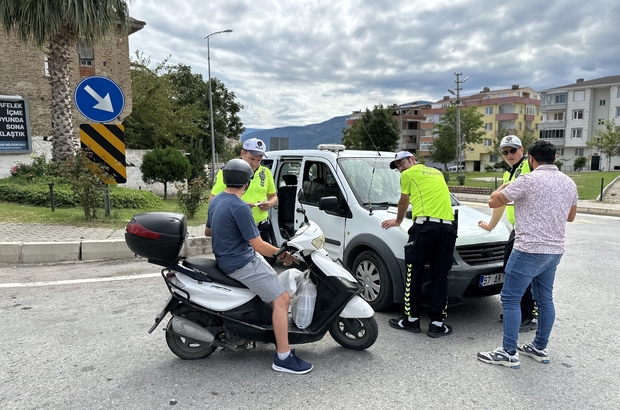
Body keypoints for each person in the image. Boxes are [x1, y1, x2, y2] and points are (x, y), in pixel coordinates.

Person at [206, 159, 312, 374]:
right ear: (247, 181)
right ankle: (283, 356)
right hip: (242, 261)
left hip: (228, 258)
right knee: (282, 299)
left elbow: (209, 232)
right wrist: (285, 255)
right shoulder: (239, 207)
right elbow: (259, 245)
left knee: (272, 288)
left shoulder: (216, 201)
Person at [477, 140, 578, 368]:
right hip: (554, 251)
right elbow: (570, 217)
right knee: (545, 299)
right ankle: (539, 347)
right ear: (555, 158)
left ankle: (508, 351)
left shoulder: (527, 180)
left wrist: (504, 186)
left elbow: (493, 200)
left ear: (530, 158)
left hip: (527, 249)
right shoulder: (568, 182)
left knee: (510, 298)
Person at [382, 151, 458, 338]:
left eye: (402, 163)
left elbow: (403, 202)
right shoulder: (437, 173)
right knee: (441, 276)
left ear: (413, 160)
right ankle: (437, 324)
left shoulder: (408, 175)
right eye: (397, 166)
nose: (400, 168)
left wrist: (398, 221)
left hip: (424, 228)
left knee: (413, 272)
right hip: (448, 229)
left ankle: (411, 320)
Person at [478, 135, 537, 332]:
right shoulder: (508, 174)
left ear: (522, 150)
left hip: (529, 229)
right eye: (505, 152)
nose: (509, 155)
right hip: (517, 229)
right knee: (510, 269)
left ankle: (527, 315)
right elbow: (500, 203)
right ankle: (518, 310)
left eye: (513, 150)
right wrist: (490, 225)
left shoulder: (529, 166)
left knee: (520, 272)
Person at [210, 138, 278, 264]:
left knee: (266, 262)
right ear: (242, 153)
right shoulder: (229, 172)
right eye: (252, 159)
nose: (255, 163)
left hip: (261, 225)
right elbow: (214, 199)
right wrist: (240, 205)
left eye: (259, 160)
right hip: (238, 228)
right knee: (242, 265)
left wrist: (270, 204)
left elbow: (273, 196)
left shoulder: (265, 172)